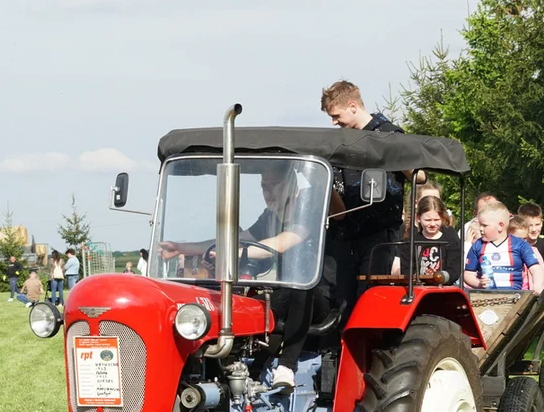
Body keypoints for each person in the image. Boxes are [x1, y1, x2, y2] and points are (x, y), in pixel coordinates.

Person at [160, 162, 322, 392]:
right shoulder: (269, 216)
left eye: (274, 185)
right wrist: (182, 248)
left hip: (320, 293)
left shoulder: (308, 212)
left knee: (300, 290)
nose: (268, 192)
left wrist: (234, 253)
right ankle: (235, 372)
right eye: (264, 186)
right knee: (249, 302)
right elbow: (239, 238)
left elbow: (280, 243)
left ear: (291, 185)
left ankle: (287, 366)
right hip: (285, 294)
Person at [321, 80, 409, 304]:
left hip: (379, 234)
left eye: (336, 116)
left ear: (353, 106)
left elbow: (419, 176)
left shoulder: (389, 134)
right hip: (344, 234)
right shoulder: (340, 143)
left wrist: (396, 154)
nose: (333, 122)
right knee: (338, 298)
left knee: (370, 297)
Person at [464, 202, 544, 292]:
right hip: (486, 297)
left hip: (515, 297)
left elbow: (536, 270)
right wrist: (479, 283)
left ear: (500, 226)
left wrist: (537, 289)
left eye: (484, 225)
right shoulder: (477, 245)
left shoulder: (520, 245)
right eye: (480, 225)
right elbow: (468, 274)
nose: (480, 228)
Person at [392, 196, 461, 284]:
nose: (432, 224)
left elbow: (454, 270)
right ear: (418, 218)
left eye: (436, 220)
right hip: (418, 287)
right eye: (428, 220)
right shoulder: (410, 242)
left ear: (442, 218)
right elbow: (406, 269)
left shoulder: (450, 240)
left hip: (444, 287)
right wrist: (418, 277)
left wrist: (439, 276)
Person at [517, 202, 544, 291]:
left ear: (542, 222)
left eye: (537, 225)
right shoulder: (517, 242)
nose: (534, 229)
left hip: (543, 285)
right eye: (530, 225)